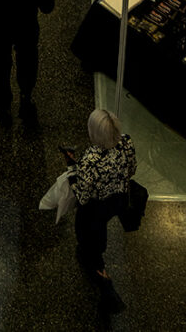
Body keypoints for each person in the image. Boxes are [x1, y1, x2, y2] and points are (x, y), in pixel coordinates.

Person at [67, 109, 137, 281]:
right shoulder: (126, 142)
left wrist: (71, 169)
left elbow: (82, 196)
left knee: (88, 231)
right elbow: (132, 169)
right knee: (101, 225)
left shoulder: (90, 160)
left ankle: (96, 265)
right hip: (118, 199)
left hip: (96, 206)